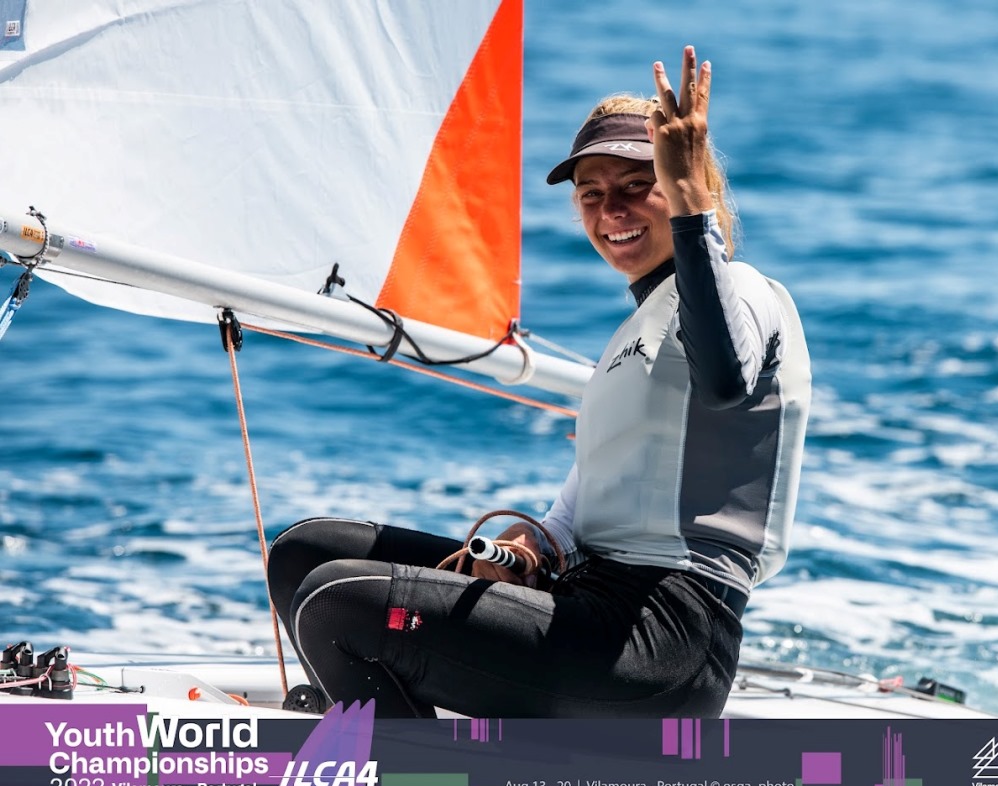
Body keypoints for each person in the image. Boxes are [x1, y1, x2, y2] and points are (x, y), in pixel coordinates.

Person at [266, 46, 811, 718]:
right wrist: (536, 545)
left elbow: (725, 380)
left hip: (667, 638)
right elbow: (585, 504)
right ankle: (368, 719)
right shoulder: (635, 336)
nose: (612, 210)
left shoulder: (744, 291)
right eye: (592, 195)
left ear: (683, 183)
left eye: (636, 185)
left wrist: (692, 205)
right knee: (304, 556)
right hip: (589, 597)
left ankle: (399, 760)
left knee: (337, 606)